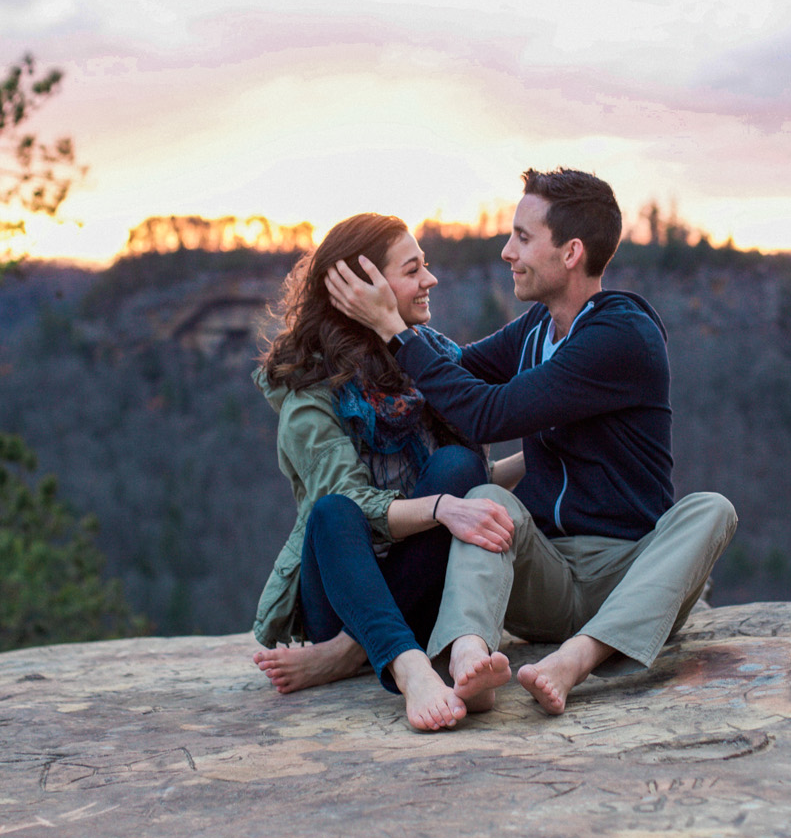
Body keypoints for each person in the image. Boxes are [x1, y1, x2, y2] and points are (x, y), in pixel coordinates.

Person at [326, 168, 738, 715]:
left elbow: (484, 414)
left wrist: (395, 332)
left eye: (522, 237)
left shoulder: (621, 335)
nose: (506, 251)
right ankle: (469, 656)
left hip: (629, 573)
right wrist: (352, 334)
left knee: (711, 509)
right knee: (486, 502)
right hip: (544, 573)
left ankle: (575, 660)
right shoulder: (535, 329)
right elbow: (451, 375)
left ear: (570, 253)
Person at [250, 213, 517, 731]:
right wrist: (442, 508)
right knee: (332, 513)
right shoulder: (310, 394)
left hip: (421, 581)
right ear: (362, 286)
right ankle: (411, 667)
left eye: (427, 266)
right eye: (413, 269)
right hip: (345, 592)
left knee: (460, 463)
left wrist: (546, 453)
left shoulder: (426, 356)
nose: (430, 280)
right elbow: (359, 506)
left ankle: (350, 655)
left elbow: (465, 488)